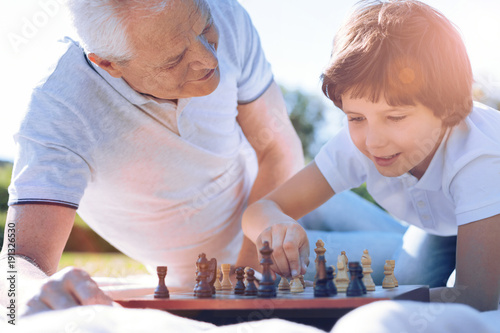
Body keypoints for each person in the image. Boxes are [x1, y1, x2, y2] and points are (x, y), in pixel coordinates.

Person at [1, 0, 307, 315]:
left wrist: (247, 275)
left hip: (281, 198)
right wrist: (29, 287)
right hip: (201, 270)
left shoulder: (225, 12)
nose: (209, 57)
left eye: (204, 29)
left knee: (359, 230)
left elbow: (279, 149)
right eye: (174, 59)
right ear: (108, 64)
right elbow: (17, 260)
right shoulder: (58, 109)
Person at [242, 0, 500, 311]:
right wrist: (273, 225)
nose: (373, 142)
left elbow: (476, 298)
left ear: (446, 109)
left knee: (406, 279)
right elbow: (260, 210)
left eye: (396, 117)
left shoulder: (481, 158)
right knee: (291, 250)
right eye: (355, 118)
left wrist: (357, 299)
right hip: (437, 227)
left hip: (481, 222)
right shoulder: (359, 141)